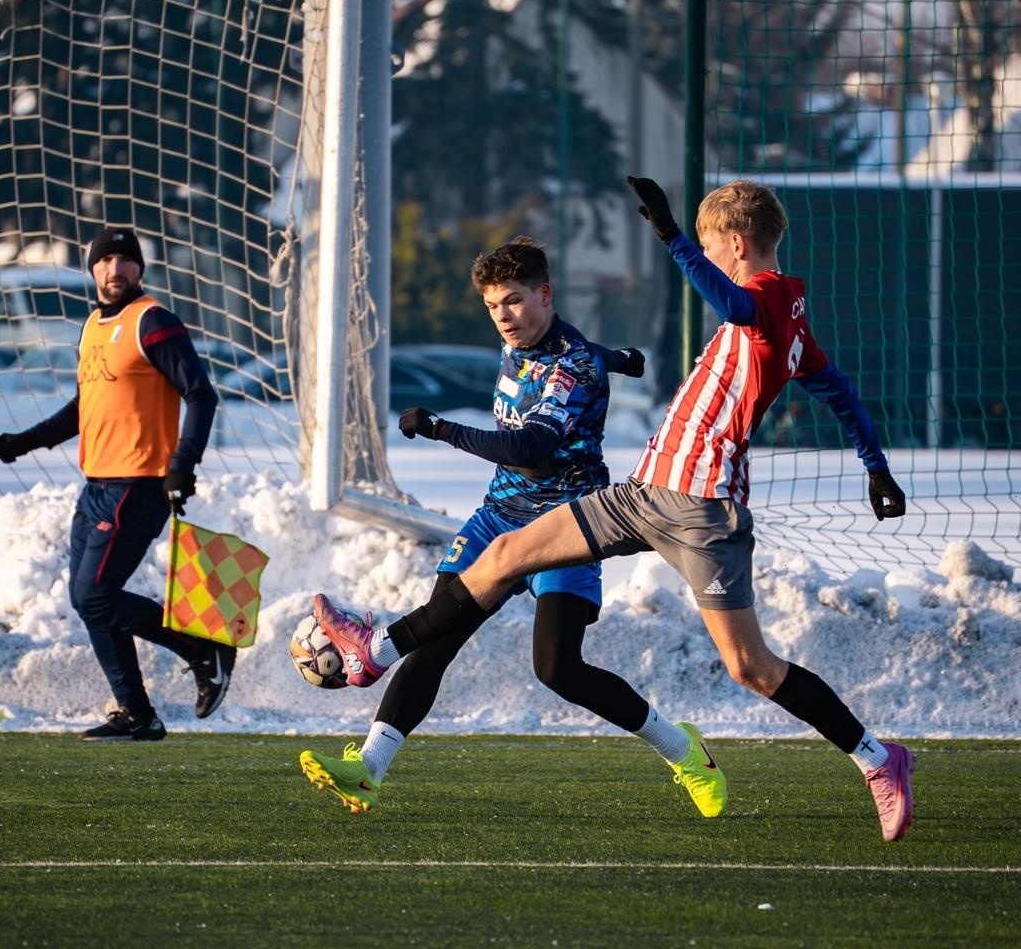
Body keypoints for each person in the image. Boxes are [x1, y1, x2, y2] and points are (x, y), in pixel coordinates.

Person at [310, 178, 916, 843]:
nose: (708, 258)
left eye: (715, 248)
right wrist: (876, 465)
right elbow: (838, 388)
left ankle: (879, 760)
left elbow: (736, 305)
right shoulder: (784, 318)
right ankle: (373, 653)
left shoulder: (765, 301)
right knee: (503, 556)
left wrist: (672, 239)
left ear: (736, 246)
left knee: (749, 667)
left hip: (702, 512)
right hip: (640, 494)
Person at [300, 233, 726, 818]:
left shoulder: (571, 367)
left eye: (515, 301)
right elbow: (575, 350)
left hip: (566, 527)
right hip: (496, 517)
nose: (504, 316)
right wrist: (620, 357)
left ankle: (685, 751)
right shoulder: (537, 341)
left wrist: (440, 428)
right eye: (493, 305)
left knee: (559, 669)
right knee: (433, 642)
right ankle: (369, 768)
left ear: (544, 295)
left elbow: (530, 446)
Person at [0, 225, 231, 741]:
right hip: (97, 483)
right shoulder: (93, 327)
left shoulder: (153, 321)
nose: (115, 269)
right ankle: (137, 714)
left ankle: (200, 649)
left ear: (139, 270)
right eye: (106, 260)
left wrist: (182, 465)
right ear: (92, 269)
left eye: (126, 261)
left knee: (95, 595)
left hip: (138, 484)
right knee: (88, 600)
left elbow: (201, 394)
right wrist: (25, 441)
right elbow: (85, 407)